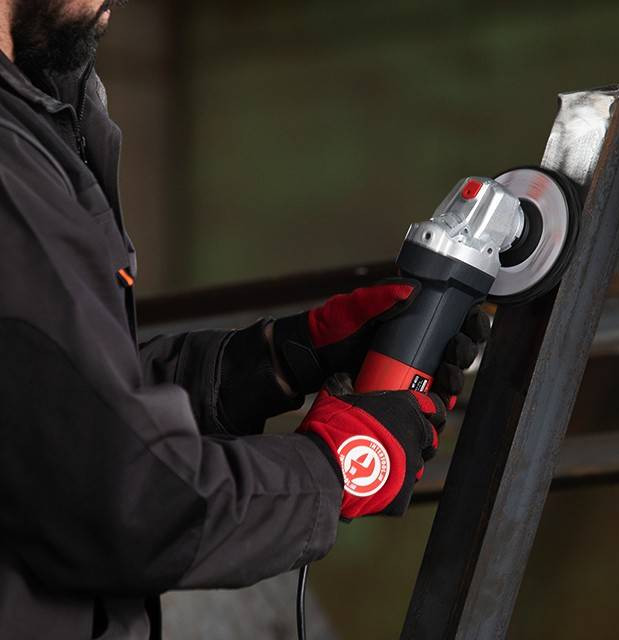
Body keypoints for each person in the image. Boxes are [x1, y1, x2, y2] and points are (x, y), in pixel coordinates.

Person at [0, 1, 489, 638]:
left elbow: (48, 399)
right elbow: (122, 506)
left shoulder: (41, 120)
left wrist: (272, 361)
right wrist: (338, 468)